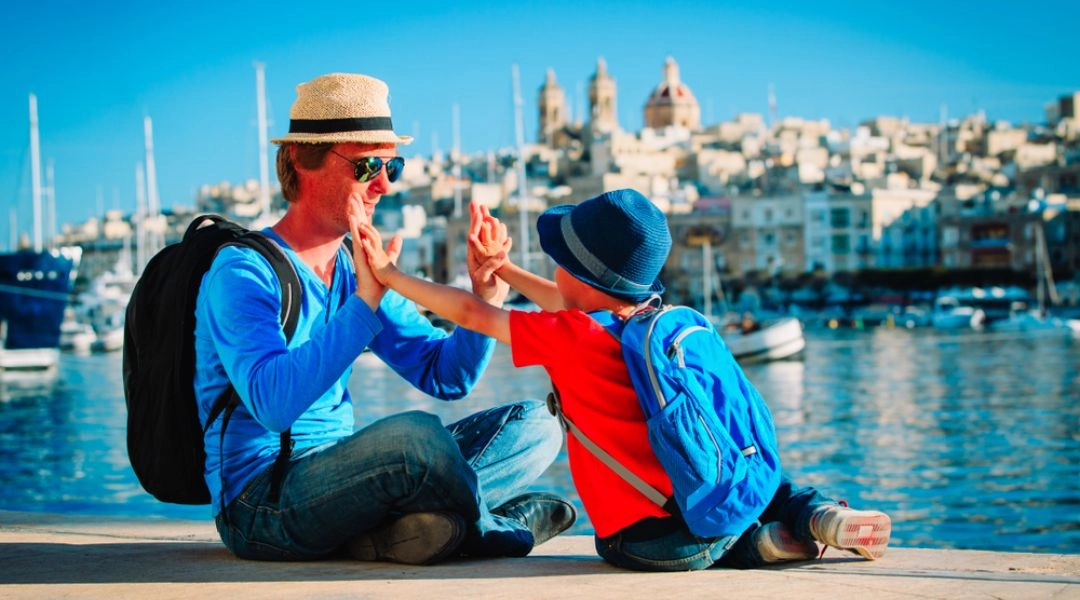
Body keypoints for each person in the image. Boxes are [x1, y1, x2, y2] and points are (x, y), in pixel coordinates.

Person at [353, 189, 892, 571]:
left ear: (579, 275)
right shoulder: (648, 320)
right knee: (775, 491)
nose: (553, 270)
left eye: (558, 261)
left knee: (619, 546)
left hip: (651, 542)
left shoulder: (569, 336)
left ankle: (758, 547)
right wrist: (506, 271)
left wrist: (392, 275)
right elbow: (568, 305)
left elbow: (471, 314)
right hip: (711, 500)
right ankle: (813, 512)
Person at [193, 72, 575, 565]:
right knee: (416, 439)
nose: (385, 184)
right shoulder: (243, 271)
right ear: (300, 159)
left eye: (392, 164)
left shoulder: (358, 265)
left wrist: (485, 293)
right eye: (368, 164)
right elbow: (272, 403)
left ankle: (397, 533)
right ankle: (496, 529)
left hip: (345, 482)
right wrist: (364, 304)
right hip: (262, 503)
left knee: (540, 424)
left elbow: (447, 375)